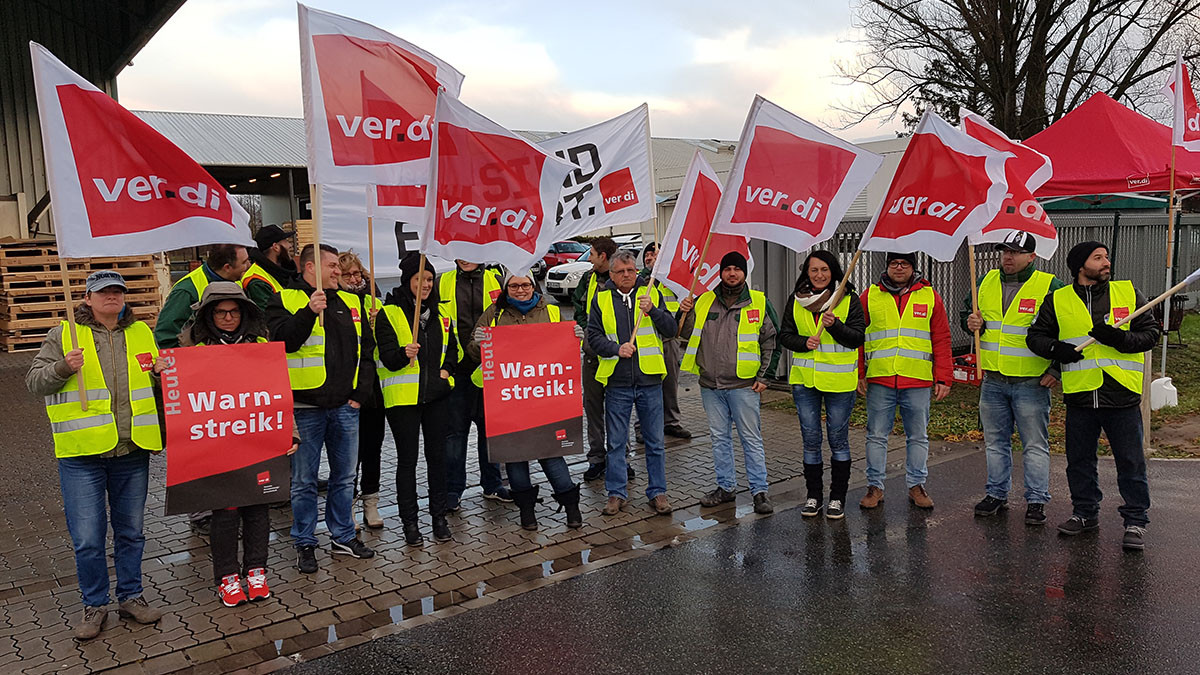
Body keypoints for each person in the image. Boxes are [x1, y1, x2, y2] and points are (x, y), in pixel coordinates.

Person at [26, 271, 165, 640]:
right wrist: (61, 367)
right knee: (88, 538)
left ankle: (131, 596)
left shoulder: (140, 332)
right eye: (104, 292)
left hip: (131, 450)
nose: (112, 297)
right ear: (87, 298)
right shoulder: (64, 335)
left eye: (118, 291)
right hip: (82, 454)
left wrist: (160, 375)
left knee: (132, 532)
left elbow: (149, 381)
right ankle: (95, 604)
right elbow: (34, 381)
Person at [1026, 241, 1159, 550]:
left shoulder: (1128, 293)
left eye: (1106, 257)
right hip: (1081, 396)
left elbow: (1150, 334)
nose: (1106, 262)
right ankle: (1085, 513)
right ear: (1080, 266)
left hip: (1121, 395)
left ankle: (1135, 521)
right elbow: (1036, 337)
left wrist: (1120, 338)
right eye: (1097, 258)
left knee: (1130, 461)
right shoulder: (1057, 300)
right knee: (1079, 461)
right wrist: (1056, 350)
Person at [179, 282, 299, 607]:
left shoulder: (260, 345)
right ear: (208, 315)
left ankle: (257, 571)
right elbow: (181, 399)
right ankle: (227, 577)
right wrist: (161, 374)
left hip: (257, 439)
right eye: (221, 312)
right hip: (217, 444)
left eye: (233, 311)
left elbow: (278, 393)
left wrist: (291, 433)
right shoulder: (191, 349)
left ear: (244, 312)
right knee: (226, 512)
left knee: (258, 508)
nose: (228, 317)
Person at [267, 244, 376, 573]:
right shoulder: (284, 299)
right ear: (309, 268)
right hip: (304, 408)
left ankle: (343, 535)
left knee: (345, 477)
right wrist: (309, 311)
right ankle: (304, 541)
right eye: (330, 266)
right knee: (303, 481)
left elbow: (366, 351)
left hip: (345, 406)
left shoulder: (351, 302)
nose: (337, 271)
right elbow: (282, 342)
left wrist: (361, 393)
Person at [961, 231, 1065, 525]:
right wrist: (970, 323)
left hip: (1031, 382)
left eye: (1015, 252)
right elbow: (965, 315)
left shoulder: (1049, 286)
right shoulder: (983, 282)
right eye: (1004, 251)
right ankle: (996, 493)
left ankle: (1035, 500)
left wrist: (1055, 368)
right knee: (995, 443)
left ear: (1032, 256)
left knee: (1034, 445)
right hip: (993, 380)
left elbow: (1068, 329)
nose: (1008, 257)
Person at [467, 271, 584, 530]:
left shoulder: (552, 311)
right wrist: (479, 342)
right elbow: (473, 351)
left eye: (525, 284)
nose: (520, 289)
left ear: (534, 286)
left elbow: (565, 349)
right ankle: (527, 512)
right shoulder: (494, 314)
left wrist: (575, 336)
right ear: (506, 288)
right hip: (509, 402)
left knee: (552, 456)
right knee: (515, 458)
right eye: (514, 285)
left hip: (544, 399)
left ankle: (572, 507)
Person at [680, 251, 780, 515]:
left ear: (744, 273)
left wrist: (765, 376)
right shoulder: (703, 301)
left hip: (744, 387)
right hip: (710, 386)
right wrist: (686, 313)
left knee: (751, 438)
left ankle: (760, 492)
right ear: (720, 272)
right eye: (727, 269)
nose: (732, 273)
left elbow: (772, 340)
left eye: (737, 269)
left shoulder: (759, 302)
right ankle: (726, 487)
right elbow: (685, 335)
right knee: (719, 438)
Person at [858, 252, 953, 510]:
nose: (899, 268)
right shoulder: (870, 296)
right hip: (880, 378)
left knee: (918, 436)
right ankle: (875, 487)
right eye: (894, 263)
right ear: (887, 266)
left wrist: (944, 377)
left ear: (913, 268)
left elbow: (941, 338)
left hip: (917, 380)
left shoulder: (930, 296)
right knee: (876, 436)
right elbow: (858, 335)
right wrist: (859, 372)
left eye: (905, 263)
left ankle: (916, 485)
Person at [588, 250, 677, 516]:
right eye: (621, 272)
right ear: (612, 275)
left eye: (630, 270)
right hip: (617, 382)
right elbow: (593, 337)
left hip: (650, 380)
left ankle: (658, 492)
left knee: (655, 441)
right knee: (616, 443)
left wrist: (654, 311)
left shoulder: (651, 294)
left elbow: (671, 329)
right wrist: (615, 349)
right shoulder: (601, 298)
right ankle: (616, 494)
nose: (627, 275)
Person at [376, 254, 457, 546]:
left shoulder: (442, 314)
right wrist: (402, 355)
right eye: (418, 279)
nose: (424, 284)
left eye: (428, 279)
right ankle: (410, 523)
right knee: (407, 462)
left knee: (437, 459)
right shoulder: (390, 313)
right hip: (403, 401)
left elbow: (452, 349)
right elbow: (385, 358)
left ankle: (439, 517)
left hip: (436, 397)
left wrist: (447, 371)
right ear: (406, 281)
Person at [777, 250, 865, 519]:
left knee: (838, 440)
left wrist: (835, 325)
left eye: (824, 270)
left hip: (839, 383)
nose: (819, 275)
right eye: (813, 270)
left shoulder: (848, 299)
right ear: (806, 273)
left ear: (833, 271)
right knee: (811, 441)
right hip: (805, 383)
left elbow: (857, 338)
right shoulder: (796, 300)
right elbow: (785, 336)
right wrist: (804, 343)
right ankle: (814, 496)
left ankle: (837, 498)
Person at [438, 260, 510, 509]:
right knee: (455, 434)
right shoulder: (443, 281)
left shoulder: (496, 279)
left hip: (489, 367)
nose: (465, 257)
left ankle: (493, 485)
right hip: (456, 369)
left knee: (489, 431)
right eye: (459, 253)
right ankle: (453, 489)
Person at [573, 236, 634, 481]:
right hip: (593, 357)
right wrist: (588, 334)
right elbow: (578, 307)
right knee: (594, 409)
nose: (589, 258)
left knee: (620, 412)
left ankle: (621, 459)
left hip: (618, 358)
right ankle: (597, 459)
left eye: (592, 254)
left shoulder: (623, 283)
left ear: (604, 257)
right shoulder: (588, 279)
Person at [339, 251, 386, 529]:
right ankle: (348, 505)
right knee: (347, 454)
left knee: (372, 449)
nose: (354, 279)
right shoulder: (334, 304)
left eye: (357, 274)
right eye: (348, 275)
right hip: (345, 388)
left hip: (373, 387)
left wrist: (377, 322)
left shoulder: (373, 301)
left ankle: (371, 502)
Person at [639, 242, 690, 440]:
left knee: (670, 384)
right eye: (647, 256)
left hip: (669, 338)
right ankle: (642, 427)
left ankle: (671, 422)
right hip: (649, 339)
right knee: (646, 386)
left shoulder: (673, 279)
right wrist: (651, 271)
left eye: (655, 255)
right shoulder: (642, 279)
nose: (650, 258)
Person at [156, 244, 251, 349]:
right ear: (227, 267)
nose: (249, 265)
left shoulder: (236, 280)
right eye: (244, 262)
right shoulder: (186, 291)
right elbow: (166, 338)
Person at [242, 224, 299, 311]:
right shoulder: (257, 282)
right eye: (286, 241)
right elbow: (270, 317)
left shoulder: (283, 272)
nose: (289, 245)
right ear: (276, 247)